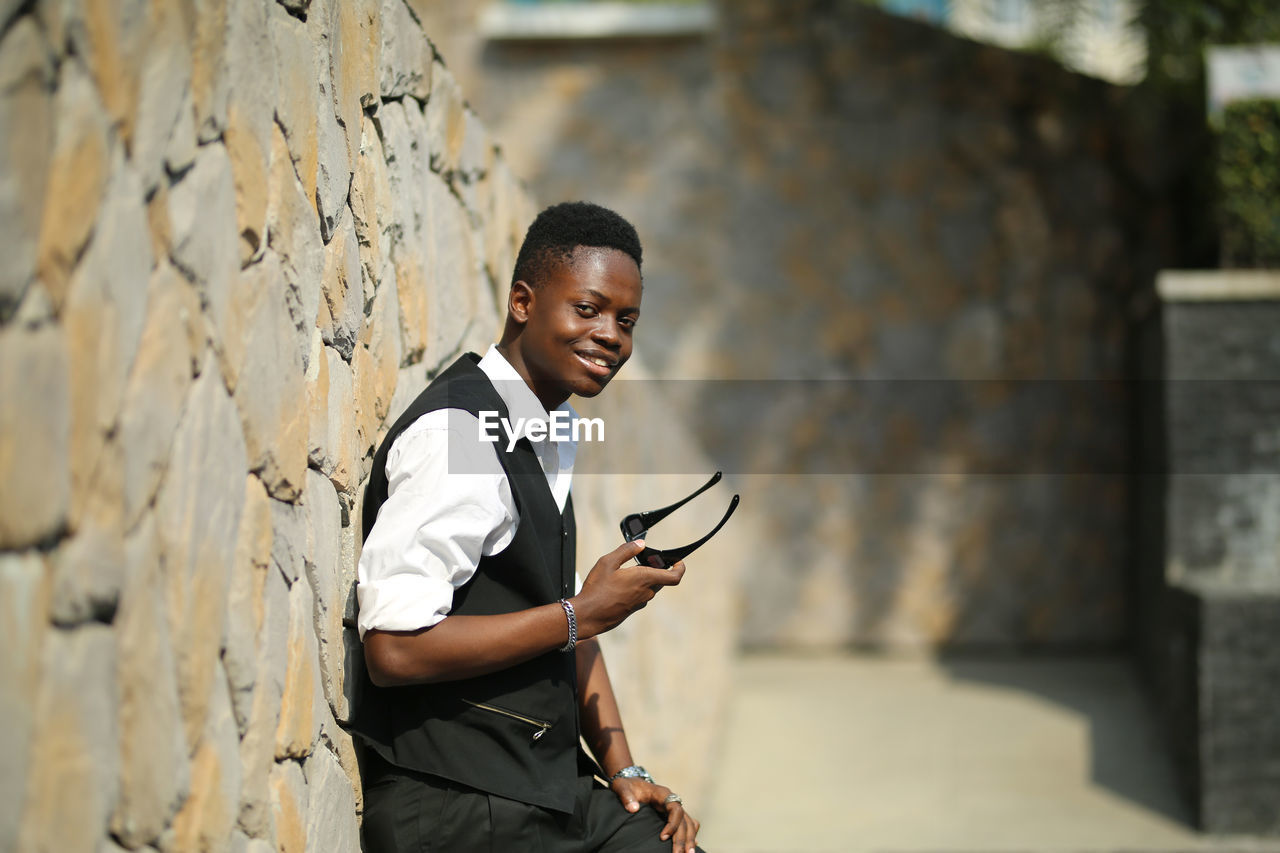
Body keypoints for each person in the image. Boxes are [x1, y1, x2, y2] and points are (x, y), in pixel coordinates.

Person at [350, 201, 704, 853]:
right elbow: (393, 649)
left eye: (626, 322)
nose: (612, 337)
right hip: (455, 806)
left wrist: (625, 770)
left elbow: (569, 623)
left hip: (542, 792)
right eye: (589, 309)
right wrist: (577, 612)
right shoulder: (458, 435)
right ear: (522, 302)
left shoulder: (544, 429)